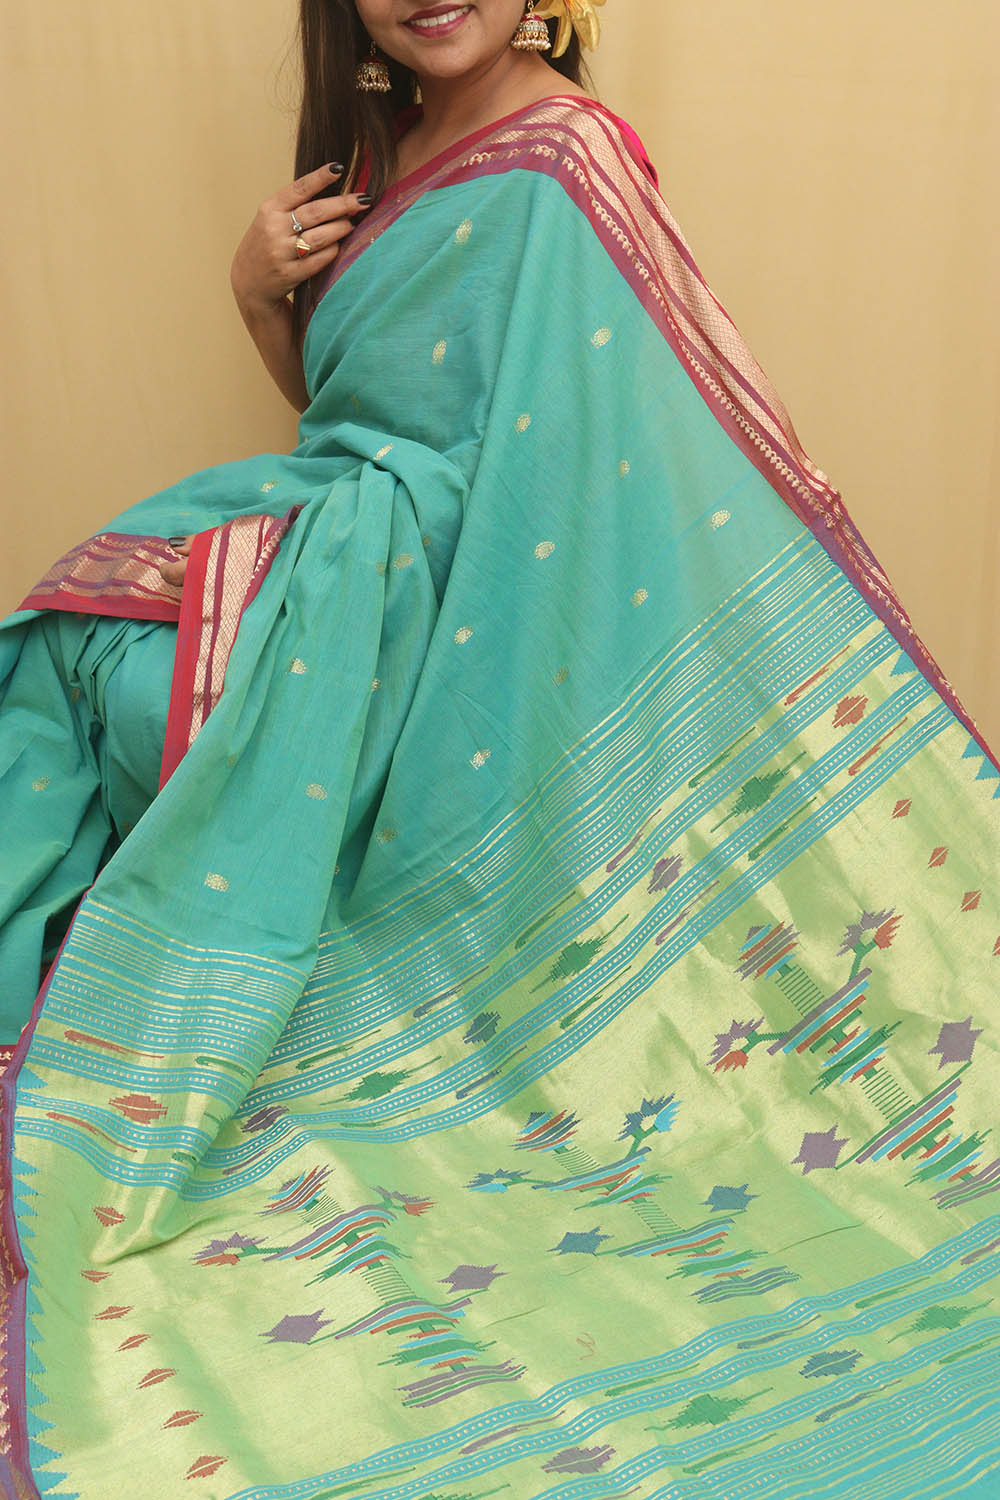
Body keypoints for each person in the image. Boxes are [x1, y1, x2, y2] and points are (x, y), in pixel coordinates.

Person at [0, 3, 997, 1496]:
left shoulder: (569, 157)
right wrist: (261, 303)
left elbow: (614, 448)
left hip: (476, 609)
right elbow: (364, 411)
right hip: (359, 571)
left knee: (125, 678)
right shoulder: (380, 154)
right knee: (69, 652)